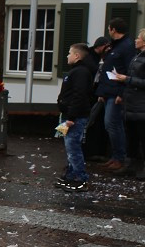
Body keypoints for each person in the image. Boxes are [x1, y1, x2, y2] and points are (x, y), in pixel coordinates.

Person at [97, 18, 135, 174]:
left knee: (113, 125)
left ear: (113, 29)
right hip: (109, 91)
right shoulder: (116, 46)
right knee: (110, 125)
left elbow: (128, 70)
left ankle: (120, 157)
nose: (108, 31)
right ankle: (115, 156)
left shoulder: (126, 46)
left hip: (116, 92)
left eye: (109, 29)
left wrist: (121, 93)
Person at [57, 43, 96, 190]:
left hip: (74, 117)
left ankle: (81, 178)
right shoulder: (77, 71)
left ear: (77, 56)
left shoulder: (80, 72)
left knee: (73, 147)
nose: (67, 56)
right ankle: (71, 175)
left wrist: (71, 117)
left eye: (69, 53)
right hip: (69, 115)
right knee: (69, 146)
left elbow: (79, 95)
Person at [111, 28, 145, 181]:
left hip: (141, 105)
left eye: (138, 37)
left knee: (142, 138)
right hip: (131, 104)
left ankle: (141, 168)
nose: (135, 40)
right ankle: (130, 166)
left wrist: (127, 79)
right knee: (131, 137)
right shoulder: (137, 57)